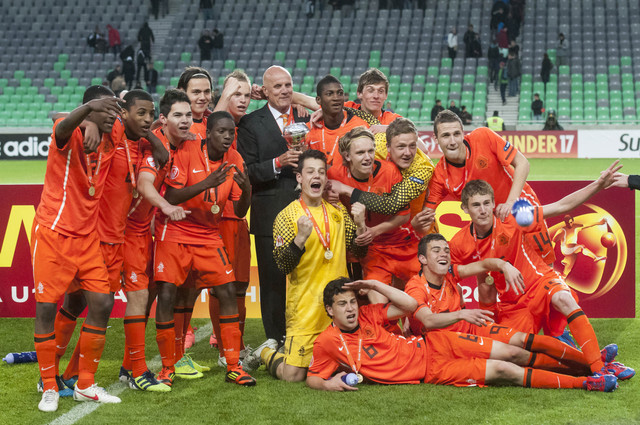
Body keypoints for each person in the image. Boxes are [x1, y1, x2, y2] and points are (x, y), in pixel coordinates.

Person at [449, 177, 634, 380]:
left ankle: (598, 369)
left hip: (540, 281)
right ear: (465, 209)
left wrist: (599, 184)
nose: (483, 210)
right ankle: (596, 362)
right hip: (513, 303)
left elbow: (561, 206)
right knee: (515, 356)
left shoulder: (512, 218)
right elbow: (449, 277)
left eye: (486, 203)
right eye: (476, 205)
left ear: (494, 204)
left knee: (564, 299)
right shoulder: (460, 243)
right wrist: (463, 313)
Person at [306, 277, 618, 392]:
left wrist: (372, 286)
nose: (349, 309)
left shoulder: (368, 313)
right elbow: (313, 377)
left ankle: (592, 363)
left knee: (514, 352)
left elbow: (410, 305)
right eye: (341, 305)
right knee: (505, 369)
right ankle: (586, 381)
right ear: (330, 311)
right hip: (433, 369)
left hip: (436, 342)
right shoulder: (327, 342)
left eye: (350, 302)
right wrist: (328, 385)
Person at [405, 233, 621, 376]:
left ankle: (596, 362)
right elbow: (429, 320)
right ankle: (587, 372)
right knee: (516, 355)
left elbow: (483, 264)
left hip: (471, 327)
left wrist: (502, 265)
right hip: (447, 344)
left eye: (446, 250)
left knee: (526, 340)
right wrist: (462, 314)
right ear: (422, 259)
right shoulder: (416, 286)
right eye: (436, 251)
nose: (444, 254)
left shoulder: (450, 273)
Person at [31, 86, 124, 412]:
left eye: (115, 113)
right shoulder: (67, 136)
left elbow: (135, 116)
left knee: (101, 302)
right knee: (45, 310)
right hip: (54, 235)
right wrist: (88, 116)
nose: (114, 118)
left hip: (86, 238)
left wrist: (102, 117)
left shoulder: (112, 133)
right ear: (90, 108)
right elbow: (59, 123)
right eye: (106, 112)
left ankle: (85, 384)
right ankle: (49, 386)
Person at [245, 149, 367, 381]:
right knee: (293, 376)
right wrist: (299, 239)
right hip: (305, 309)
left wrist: (360, 226)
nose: (317, 177)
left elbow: (359, 252)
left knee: (351, 368)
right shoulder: (286, 216)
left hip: (337, 309)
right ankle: (267, 353)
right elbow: (282, 266)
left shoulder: (338, 213)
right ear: (299, 177)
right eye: (310, 172)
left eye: (321, 172)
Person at [154, 111, 256, 386]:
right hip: (176, 229)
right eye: (221, 132)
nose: (226, 137)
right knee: (167, 295)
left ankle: (234, 365)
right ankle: (167, 367)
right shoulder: (187, 150)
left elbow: (239, 209)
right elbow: (171, 195)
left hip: (209, 234)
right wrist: (206, 184)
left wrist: (247, 191)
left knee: (227, 290)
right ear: (208, 133)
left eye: (230, 133)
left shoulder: (234, 160)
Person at [237, 66, 310, 349]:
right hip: (270, 212)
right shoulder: (251, 123)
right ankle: (276, 339)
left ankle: (306, 334)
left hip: (307, 211)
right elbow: (246, 170)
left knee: (308, 276)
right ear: (264, 91)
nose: (284, 91)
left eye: (288, 85)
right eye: (277, 86)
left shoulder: (305, 117)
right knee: (272, 281)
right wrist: (278, 163)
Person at [124, 89, 191, 388]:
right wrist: (164, 207)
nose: (185, 120)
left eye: (188, 115)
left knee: (146, 294)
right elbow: (144, 183)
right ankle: (134, 370)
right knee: (130, 298)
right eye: (178, 115)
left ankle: (129, 366)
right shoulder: (157, 146)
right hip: (124, 230)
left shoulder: (181, 143)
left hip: (141, 229)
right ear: (164, 119)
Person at [420, 110, 552, 261]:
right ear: (435, 139)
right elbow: (426, 216)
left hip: (520, 206)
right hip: (489, 225)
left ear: (463, 133)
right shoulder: (440, 175)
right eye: (445, 136)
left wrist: (510, 202)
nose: (452, 141)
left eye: (456, 134)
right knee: (498, 276)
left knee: (543, 264)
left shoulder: (483, 136)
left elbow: (522, 163)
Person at [328, 127, 418, 298]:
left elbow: (404, 215)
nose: (368, 157)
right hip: (371, 251)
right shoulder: (334, 175)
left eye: (371, 151)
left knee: (422, 296)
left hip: (400, 244)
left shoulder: (390, 171)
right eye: (361, 152)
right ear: (347, 156)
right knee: (377, 305)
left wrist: (374, 231)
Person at [207, 70, 253, 362]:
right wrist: (227, 93)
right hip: (214, 219)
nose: (244, 100)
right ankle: (225, 346)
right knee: (219, 286)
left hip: (238, 217)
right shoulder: (207, 127)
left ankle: (236, 342)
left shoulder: (248, 126)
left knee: (240, 285)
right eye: (237, 94)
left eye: (247, 95)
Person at [328, 118, 436, 231]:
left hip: (415, 228)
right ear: (388, 146)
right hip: (378, 227)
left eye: (412, 146)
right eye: (401, 147)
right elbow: (351, 145)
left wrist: (344, 188)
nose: (408, 153)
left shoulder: (423, 169)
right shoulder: (376, 144)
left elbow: (392, 204)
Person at [305, 75, 369, 166]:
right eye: (329, 94)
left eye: (340, 93)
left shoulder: (359, 127)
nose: (336, 98)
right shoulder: (308, 130)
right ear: (318, 100)